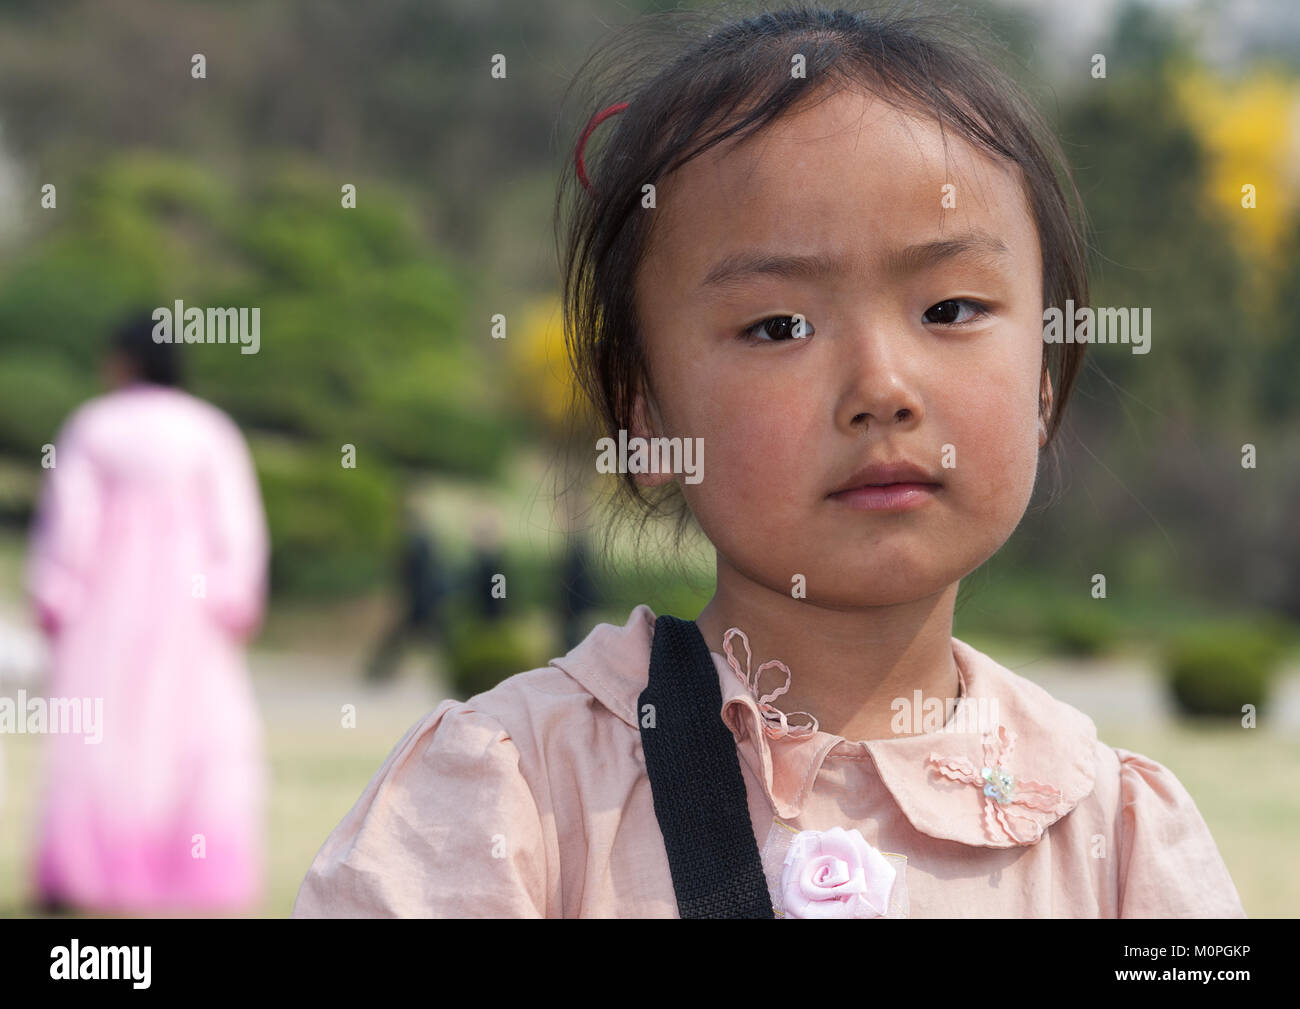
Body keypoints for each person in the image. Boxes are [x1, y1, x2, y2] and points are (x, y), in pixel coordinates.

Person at [292, 7, 1245, 917]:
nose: (882, 385)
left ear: (1046, 375)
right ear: (647, 416)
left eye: (950, 309)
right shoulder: (517, 799)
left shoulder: (1115, 840)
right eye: (779, 324)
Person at [26, 310, 269, 913]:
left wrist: (56, 595)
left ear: (125, 360)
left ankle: (94, 870)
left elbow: (70, 526)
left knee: (104, 733)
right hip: (193, 612)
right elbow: (238, 527)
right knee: (191, 732)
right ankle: (190, 872)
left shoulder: (96, 425)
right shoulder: (209, 429)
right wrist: (233, 597)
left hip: (109, 606)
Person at [364, 504, 449, 683]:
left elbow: (418, 575)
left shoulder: (417, 543)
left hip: (420, 601)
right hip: (423, 601)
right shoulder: (422, 541)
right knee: (430, 640)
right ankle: (378, 671)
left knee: (403, 639)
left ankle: (378, 671)